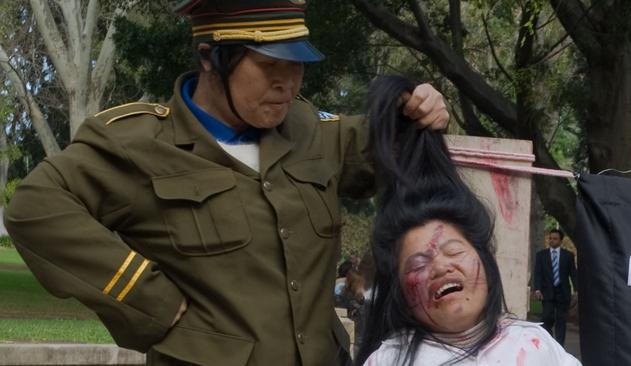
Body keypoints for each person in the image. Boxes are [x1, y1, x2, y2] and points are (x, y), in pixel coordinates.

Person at [3, 1, 449, 365]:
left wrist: (420, 107)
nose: (287, 84)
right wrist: (145, 297)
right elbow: (35, 208)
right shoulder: (138, 144)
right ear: (210, 57)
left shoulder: (311, 130)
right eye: (268, 65)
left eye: (297, 66)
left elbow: (390, 140)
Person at [354, 76, 580, 365]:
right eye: (419, 265)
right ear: (399, 292)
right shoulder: (387, 360)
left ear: (485, 260)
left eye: (454, 251)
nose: (440, 267)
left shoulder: (536, 346)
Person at [534, 229, 578, 346]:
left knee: (561, 321)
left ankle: (559, 346)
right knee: (546, 318)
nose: (551, 241)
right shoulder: (541, 255)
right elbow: (538, 273)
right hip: (546, 292)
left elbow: (573, 273)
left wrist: (577, 289)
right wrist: (537, 289)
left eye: (555, 239)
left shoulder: (568, 255)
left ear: (560, 240)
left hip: (563, 292)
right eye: (550, 238)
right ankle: (549, 342)